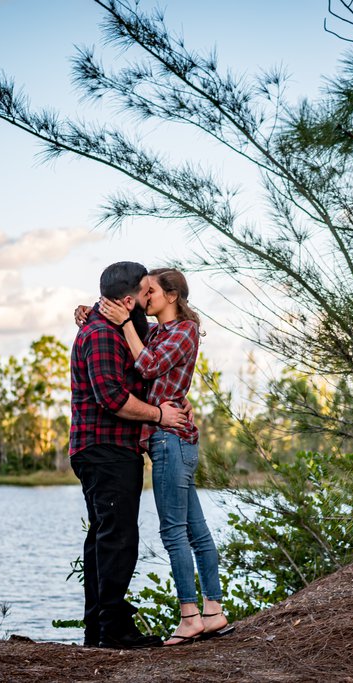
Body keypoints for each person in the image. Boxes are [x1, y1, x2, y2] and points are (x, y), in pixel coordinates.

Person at [96, 268, 233, 646]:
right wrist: (88, 311)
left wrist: (124, 324)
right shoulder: (157, 331)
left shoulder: (183, 330)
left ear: (171, 295)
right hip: (170, 439)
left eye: (150, 290)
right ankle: (213, 612)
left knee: (174, 532)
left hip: (170, 439)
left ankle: (189, 617)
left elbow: (149, 366)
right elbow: (152, 368)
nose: (145, 297)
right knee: (196, 530)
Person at [69, 261, 188, 650]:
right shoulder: (102, 335)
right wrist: (160, 415)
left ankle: (98, 630)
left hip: (108, 449)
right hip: (104, 449)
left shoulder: (121, 327)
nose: (148, 297)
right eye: (144, 291)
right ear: (126, 299)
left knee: (104, 538)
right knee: (118, 539)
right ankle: (113, 632)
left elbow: (160, 340)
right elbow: (113, 399)